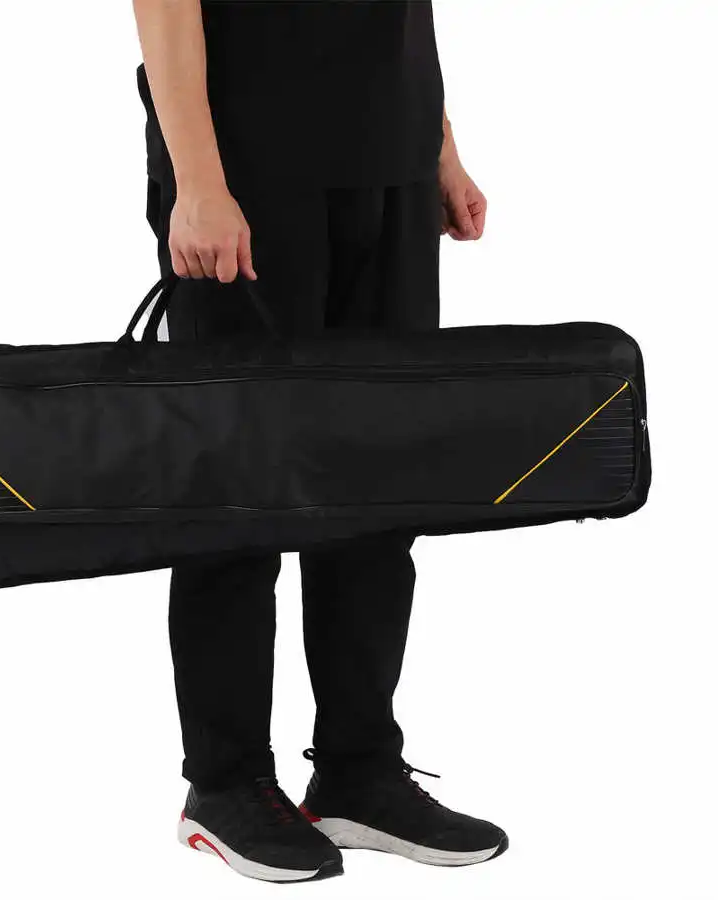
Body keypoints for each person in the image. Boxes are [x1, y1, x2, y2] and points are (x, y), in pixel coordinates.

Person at [133, 0, 505, 883]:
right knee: (239, 490)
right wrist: (197, 180)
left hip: (390, 157)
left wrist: (441, 148)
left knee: (379, 490)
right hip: (248, 167)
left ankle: (358, 770)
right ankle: (225, 782)